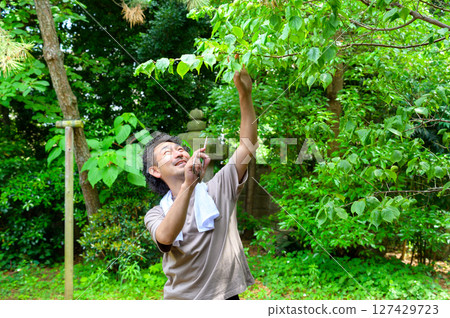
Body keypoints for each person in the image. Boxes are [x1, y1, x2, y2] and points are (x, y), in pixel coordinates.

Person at [142, 67, 257, 300]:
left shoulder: (217, 188)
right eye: (167, 152)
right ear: (155, 171)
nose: (178, 152)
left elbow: (247, 147)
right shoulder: (155, 214)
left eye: (180, 149)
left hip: (226, 298)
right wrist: (188, 185)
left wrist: (245, 95)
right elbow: (165, 238)